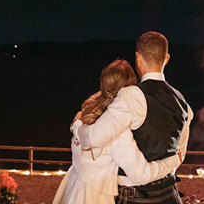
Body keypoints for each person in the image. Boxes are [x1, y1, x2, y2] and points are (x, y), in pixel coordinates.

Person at [76, 31, 193, 204]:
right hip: (171, 196)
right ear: (166, 58)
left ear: (137, 58)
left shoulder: (132, 96)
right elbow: (179, 154)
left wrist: (77, 126)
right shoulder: (182, 102)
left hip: (136, 197)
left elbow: (93, 138)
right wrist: (169, 164)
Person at [52, 59, 181, 204]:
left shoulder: (87, 112)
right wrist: (173, 161)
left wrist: (76, 124)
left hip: (74, 186)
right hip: (97, 196)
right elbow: (142, 175)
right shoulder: (116, 130)